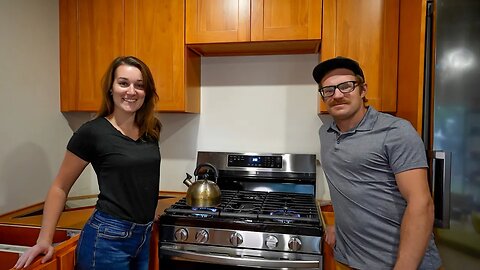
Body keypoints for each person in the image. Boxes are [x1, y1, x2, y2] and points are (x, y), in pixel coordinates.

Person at [14, 56, 162, 270]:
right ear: (111, 88)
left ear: (146, 92)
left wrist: (146, 212)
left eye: (139, 85)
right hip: (107, 240)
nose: (131, 91)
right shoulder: (93, 132)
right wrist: (44, 240)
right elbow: (60, 187)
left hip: (144, 236)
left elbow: (142, 178)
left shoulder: (151, 129)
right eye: (123, 83)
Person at [313, 56, 442, 270]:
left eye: (346, 86)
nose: (337, 95)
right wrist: (338, 224)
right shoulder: (325, 133)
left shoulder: (396, 131)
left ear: (363, 90)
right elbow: (350, 184)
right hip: (349, 259)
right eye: (329, 90)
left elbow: (421, 204)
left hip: (400, 263)